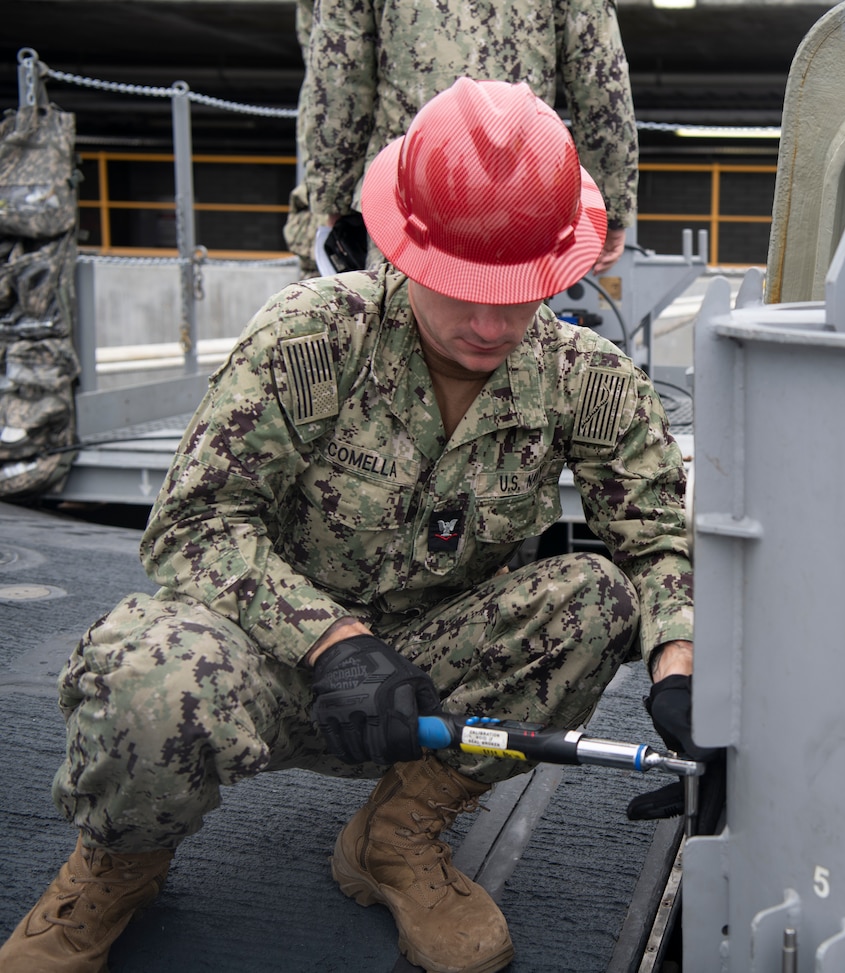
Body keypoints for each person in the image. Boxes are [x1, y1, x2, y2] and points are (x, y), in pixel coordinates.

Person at [1, 78, 695, 973]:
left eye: (516, 296)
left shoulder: (585, 378)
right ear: (405, 249)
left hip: (434, 695)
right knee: (147, 676)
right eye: (461, 290)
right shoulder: (312, 338)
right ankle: (119, 865)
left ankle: (397, 836)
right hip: (271, 663)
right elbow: (194, 525)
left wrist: (681, 666)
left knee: (597, 597)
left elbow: (656, 536)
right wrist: (331, 641)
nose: (489, 325)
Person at [287, 0, 638, 275]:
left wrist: (331, 197)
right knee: (512, 345)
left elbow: (338, 74)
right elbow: (599, 80)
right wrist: (611, 209)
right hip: (521, 198)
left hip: (408, 196)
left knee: (399, 343)